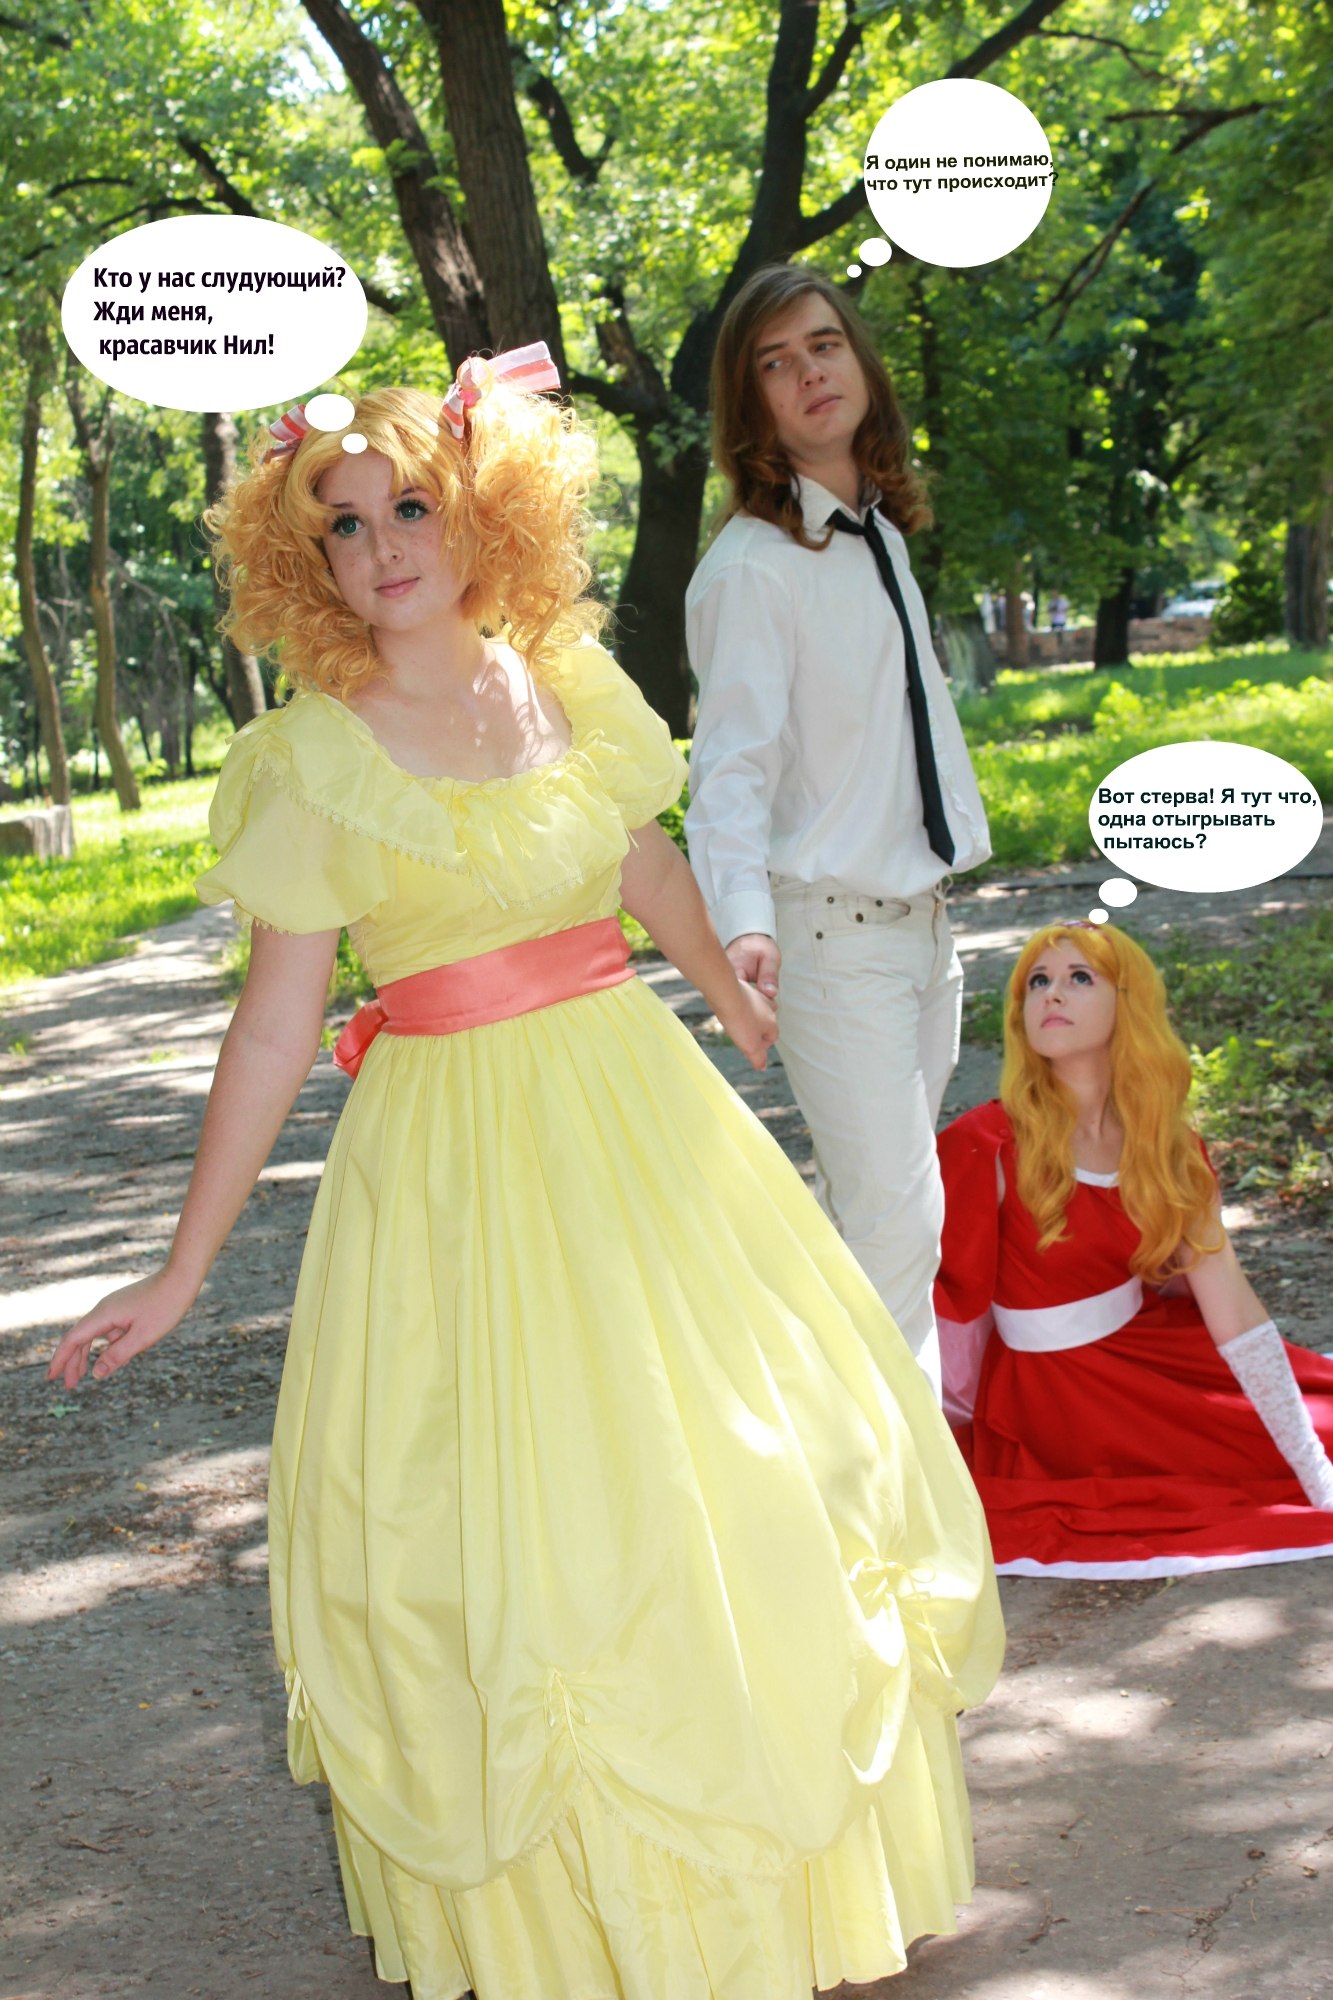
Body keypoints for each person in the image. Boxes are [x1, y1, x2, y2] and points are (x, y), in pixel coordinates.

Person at [49, 358, 1003, 2000]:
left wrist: (728, 990)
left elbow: (641, 860)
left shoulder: (564, 685)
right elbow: (273, 1028)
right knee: (514, 1518)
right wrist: (182, 1267)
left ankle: (763, 1880)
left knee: (731, 1467)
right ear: (309, 563)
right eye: (345, 527)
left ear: (480, 513)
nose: (384, 547)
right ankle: (579, 1920)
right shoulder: (311, 761)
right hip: (451, 1169)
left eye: (411, 506)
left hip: (637, 1125)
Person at [685, 264, 990, 1399]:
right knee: (898, 1220)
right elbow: (728, 769)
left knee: (878, 1219)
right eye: (775, 362)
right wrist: (742, 926)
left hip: (921, 931)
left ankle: (808, 1435)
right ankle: (896, 1477)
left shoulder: (878, 540)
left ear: (860, 361)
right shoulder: (750, 569)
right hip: (829, 935)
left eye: (824, 344)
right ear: (751, 406)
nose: (809, 371)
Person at [935, 921, 1333, 1578]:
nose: (1050, 994)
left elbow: (1233, 1310)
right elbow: (940, 1318)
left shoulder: (1166, 1146)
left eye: (1078, 978)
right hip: (1053, 1401)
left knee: (1309, 1439)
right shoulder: (985, 1146)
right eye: (1037, 982)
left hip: (1151, 1351)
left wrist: (1314, 1473)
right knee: (1214, 1486)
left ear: (1129, 1003)